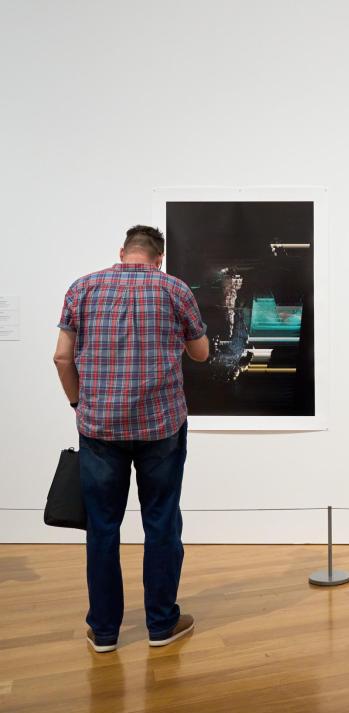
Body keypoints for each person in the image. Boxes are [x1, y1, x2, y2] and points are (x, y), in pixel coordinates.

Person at [53, 225, 209, 652]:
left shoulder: (82, 287)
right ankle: (161, 624)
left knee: (102, 528)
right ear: (158, 258)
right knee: (161, 523)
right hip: (161, 427)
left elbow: (61, 356)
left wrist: (76, 403)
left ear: (123, 252)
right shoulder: (175, 290)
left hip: (99, 429)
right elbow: (201, 353)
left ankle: (104, 632)